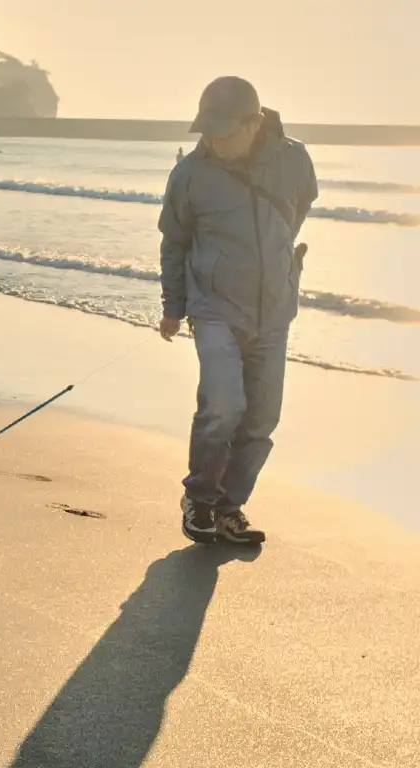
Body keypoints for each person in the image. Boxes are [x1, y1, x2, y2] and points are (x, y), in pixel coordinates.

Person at [157, 76, 318, 545]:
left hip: (274, 311)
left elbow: (298, 208)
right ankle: (200, 499)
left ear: (254, 123)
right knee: (224, 405)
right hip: (214, 309)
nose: (214, 140)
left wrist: (279, 266)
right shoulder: (189, 174)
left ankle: (230, 509)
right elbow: (175, 241)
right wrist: (174, 305)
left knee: (262, 419)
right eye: (207, 130)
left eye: (224, 131)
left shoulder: (294, 159)